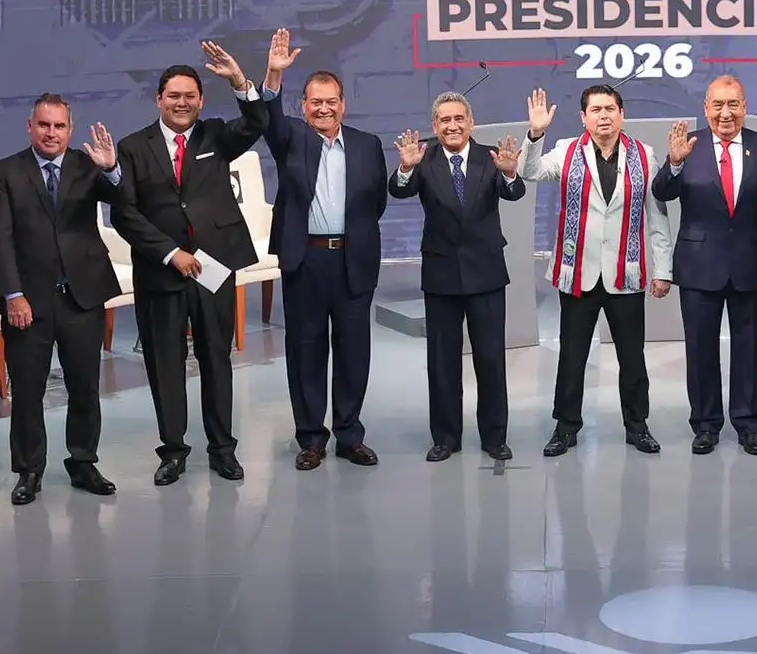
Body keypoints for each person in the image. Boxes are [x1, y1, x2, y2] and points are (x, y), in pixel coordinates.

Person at [111, 42, 267, 486]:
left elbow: (258, 121)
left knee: (216, 357)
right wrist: (169, 253)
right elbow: (125, 213)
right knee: (165, 362)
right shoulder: (132, 147)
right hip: (161, 271)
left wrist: (239, 80)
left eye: (191, 96)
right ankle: (174, 451)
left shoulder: (215, 135)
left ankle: (223, 449)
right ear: (158, 99)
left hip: (214, 268)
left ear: (201, 100)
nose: (182, 103)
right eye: (174, 96)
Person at [0, 95, 124, 506]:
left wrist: (112, 169)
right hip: (28, 302)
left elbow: (122, 199)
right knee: (28, 391)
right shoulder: (6, 171)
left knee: (85, 385)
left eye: (59, 126)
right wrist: (12, 294)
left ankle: (83, 461)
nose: (51, 133)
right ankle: (29, 470)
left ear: (70, 128)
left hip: (82, 297)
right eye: (44, 125)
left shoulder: (87, 164)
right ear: (30, 126)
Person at [521, 84, 672, 458]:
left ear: (622, 114)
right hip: (578, 273)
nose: (603, 116)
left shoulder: (644, 155)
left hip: (626, 272)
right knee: (571, 356)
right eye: (596, 110)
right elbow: (528, 171)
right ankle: (565, 427)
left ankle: (637, 426)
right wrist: (536, 133)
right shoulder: (566, 152)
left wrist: (663, 269)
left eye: (610, 108)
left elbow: (656, 216)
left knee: (632, 358)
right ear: (583, 118)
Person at [262, 29, 388, 472]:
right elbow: (269, 118)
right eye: (315, 101)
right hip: (305, 260)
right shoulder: (291, 138)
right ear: (304, 106)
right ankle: (311, 438)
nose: (323, 108)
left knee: (354, 352)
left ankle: (350, 435)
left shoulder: (367, 145)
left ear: (342, 104)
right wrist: (274, 75)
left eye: (331, 100)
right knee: (307, 351)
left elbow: (376, 203)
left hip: (353, 261)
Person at [654, 74, 757, 455]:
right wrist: (675, 164)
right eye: (718, 105)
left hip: (751, 265)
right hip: (699, 265)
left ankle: (748, 423)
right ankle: (706, 424)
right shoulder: (689, 146)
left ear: (745, 107)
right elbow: (661, 192)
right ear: (706, 108)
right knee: (700, 349)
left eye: (733, 104)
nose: (726, 113)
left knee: (750, 348)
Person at [390, 93, 525, 461]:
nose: (452, 126)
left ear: (471, 122)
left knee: (491, 359)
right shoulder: (423, 158)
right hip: (441, 274)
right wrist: (405, 168)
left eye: (459, 119)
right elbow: (398, 190)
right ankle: (446, 437)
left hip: (486, 273)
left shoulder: (491, 157)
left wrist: (511, 172)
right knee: (443, 360)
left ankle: (495, 436)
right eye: (444, 120)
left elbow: (514, 192)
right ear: (435, 126)